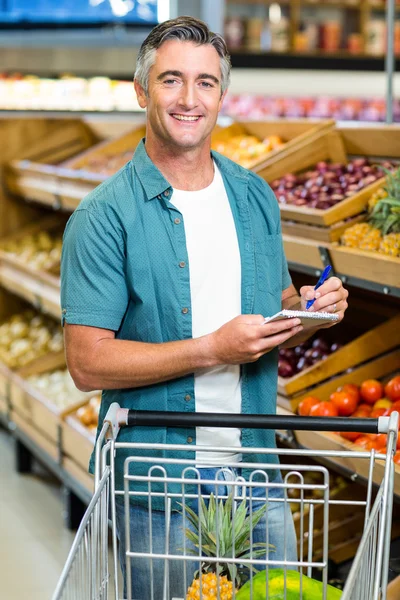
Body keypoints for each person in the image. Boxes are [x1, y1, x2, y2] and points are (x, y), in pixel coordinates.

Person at [60, 16, 349, 599]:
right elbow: (88, 364)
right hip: (159, 485)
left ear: (222, 94)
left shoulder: (254, 197)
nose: (189, 100)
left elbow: (272, 312)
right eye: (171, 81)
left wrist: (310, 308)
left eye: (206, 83)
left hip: (256, 469)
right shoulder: (103, 217)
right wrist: (212, 349)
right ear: (142, 92)